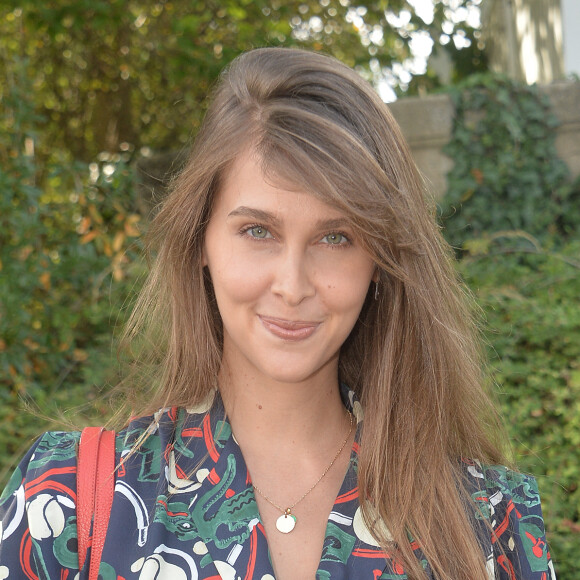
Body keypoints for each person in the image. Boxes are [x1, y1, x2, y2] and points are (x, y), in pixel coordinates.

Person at [0, 47, 554, 580]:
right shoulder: (69, 503)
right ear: (200, 241)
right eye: (258, 231)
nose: (293, 286)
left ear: (381, 261)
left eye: (336, 237)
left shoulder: (490, 524)